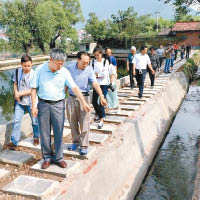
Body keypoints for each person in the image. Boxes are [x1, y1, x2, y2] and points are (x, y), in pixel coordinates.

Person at [31, 48, 91, 169]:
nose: (61, 65)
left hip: (58, 104)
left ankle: (58, 157)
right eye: (59, 63)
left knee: (59, 132)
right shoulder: (40, 70)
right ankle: (47, 157)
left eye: (63, 63)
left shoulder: (64, 71)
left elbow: (74, 87)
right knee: (44, 132)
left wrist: (83, 101)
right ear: (51, 60)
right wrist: (33, 105)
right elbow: (33, 88)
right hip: (43, 104)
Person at [66, 51, 107, 155]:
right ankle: (75, 141)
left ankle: (84, 145)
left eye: (87, 62)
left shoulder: (89, 69)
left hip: (85, 97)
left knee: (85, 122)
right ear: (78, 60)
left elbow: (94, 83)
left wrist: (101, 96)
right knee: (72, 122)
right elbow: (65, 84)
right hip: (71, 98)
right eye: (84, 62)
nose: (86, 64)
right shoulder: (69, 68)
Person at [7, 54, 40, 151]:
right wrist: (16, 93)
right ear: (21, 64)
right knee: (16, 121)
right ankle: (14, 141)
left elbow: (33, 90)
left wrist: (20, 93)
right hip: (20, 102)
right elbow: (15, 83)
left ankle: (36, 138)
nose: (27, 68)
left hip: (31, 102)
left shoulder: (34, 74)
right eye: (25, 66)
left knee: (35, 122)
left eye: (29, 66)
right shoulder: (17, 71)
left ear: (32, 64)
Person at [91, 47, 116, 129]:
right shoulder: (92, 62)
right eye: (95, 55)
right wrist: (96, 75)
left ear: (101, 54)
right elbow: (91, 73)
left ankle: (102, 119)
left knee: (101, 101)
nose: (96, 57)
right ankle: (99, 114)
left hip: (103, 84)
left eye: (97, 55)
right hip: (95, 84)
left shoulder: (105, 61)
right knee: (94, 102)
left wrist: (97, 75)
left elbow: (104, 73)